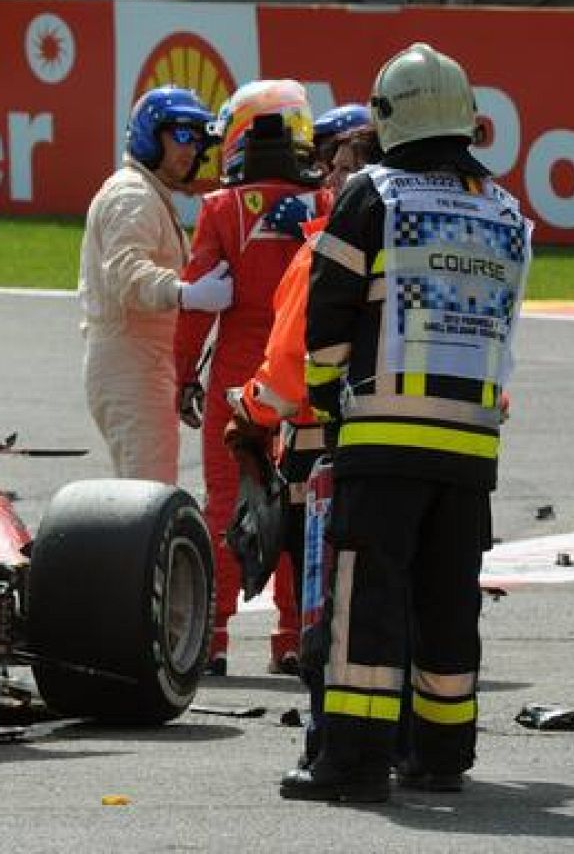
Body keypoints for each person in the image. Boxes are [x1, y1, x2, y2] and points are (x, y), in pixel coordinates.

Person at [280, 43, 532, 803]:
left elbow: (328, 317)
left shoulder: (374, 195)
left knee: (368, 602)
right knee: (448, 601)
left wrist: (326, 400)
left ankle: (352, 763)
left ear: (389, 117)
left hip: (383, 439)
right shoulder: (504, 209)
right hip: (469, 447)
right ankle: (441, 754)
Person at [224, 102, 375, 755]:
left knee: (324, 601)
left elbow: (286, 377)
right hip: (402, 444)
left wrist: (246, 408)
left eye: (340, 170)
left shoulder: (320, 250)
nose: (330, 181)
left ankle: (328, 735)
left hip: (317, 456)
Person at [175, 79, 324, 677]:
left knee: (226, 506)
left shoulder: (220, 208)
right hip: (303, 376)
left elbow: (195, 307)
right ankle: (291, 636)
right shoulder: (324, 206)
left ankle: (212, 636)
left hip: (236, 381)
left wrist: (182, 376)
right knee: (301, 507)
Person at [78, 86, 232, 484]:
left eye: (197, 139)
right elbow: (125, 274)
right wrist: (186, 293)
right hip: (130, 364)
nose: (191, 149)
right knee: (146, 495)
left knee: (145, 491)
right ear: (150, 135)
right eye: (181, 135)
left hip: (144, 362)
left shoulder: (147, 194)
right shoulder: (132, 194)